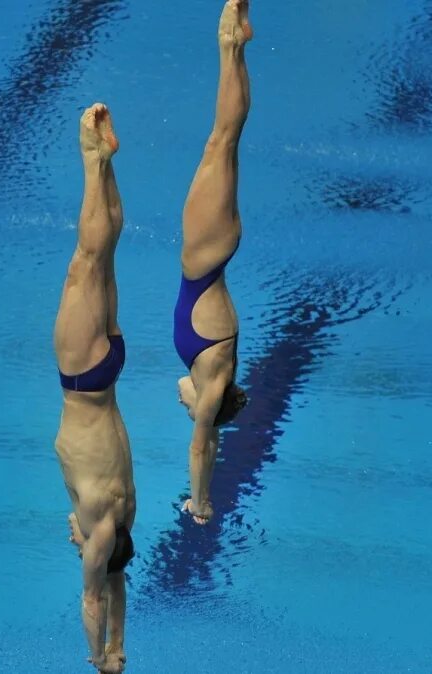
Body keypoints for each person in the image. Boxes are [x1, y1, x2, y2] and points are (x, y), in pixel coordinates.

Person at [53, 102, 135, 674]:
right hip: (83, 380)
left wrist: (120, 647)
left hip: (109, 373)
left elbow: (116, 585)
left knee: (104, 261)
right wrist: (97, 657)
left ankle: (105, 165)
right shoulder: (102, 525)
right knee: (86, 261)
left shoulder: (124, 516)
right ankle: (91, 161)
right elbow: (95, 595)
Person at [174, 0, 253, 525]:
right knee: (221, 141)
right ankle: (232, 46)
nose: (183, 405)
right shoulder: (211, 387)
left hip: (206, 255)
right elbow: (203, 449)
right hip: (208, 255)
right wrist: (200, 504)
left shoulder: (205, 378)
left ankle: (234, 47)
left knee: (219, 146)